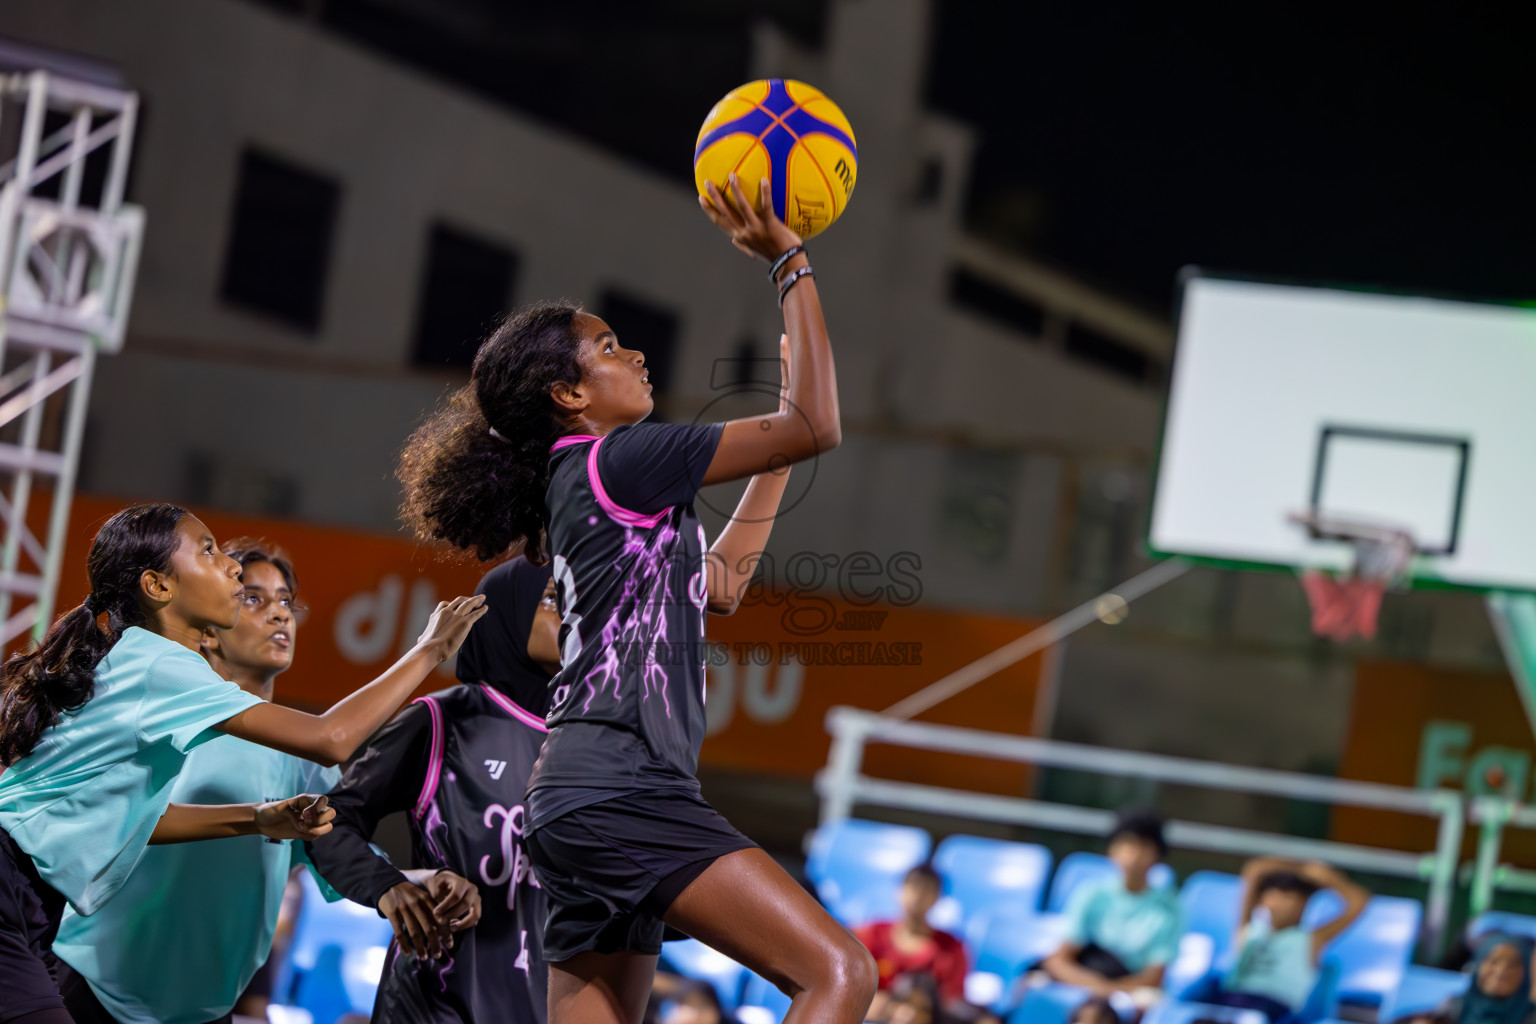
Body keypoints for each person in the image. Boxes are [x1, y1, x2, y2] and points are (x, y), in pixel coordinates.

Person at [396, 171, 874, 1024]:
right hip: (624, 788)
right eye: (611, 346)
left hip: (575, 798)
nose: (636, 353)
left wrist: (782, 442)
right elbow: (819, 423)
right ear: (569, 396)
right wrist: (790, 263)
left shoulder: (585, 482)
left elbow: (717, 589)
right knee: (839, 975)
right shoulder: (617, 459)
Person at [0, 503, 485, 1024]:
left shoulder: (157, 672)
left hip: (48, 912)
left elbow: (138, 821)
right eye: (209, 551)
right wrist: (429, 649)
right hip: (50, 926)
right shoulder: (161, 666)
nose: (230, 566)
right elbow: (333, 737)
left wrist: (258, 819)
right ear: (158, 587)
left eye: (285, 601)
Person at [306, 554, 560, 1023]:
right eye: (551, 599)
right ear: (509, 611)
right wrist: (387, 885)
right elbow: (332, 819)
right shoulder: (442, 719)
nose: (571, 614)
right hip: (433, 1003)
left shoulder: (589, 742)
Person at [1199, 857, 1369, 1024]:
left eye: (1288, 896)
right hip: (1227, 1004)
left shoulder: (1311, 940)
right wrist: (1299, 868)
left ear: (1303, 903)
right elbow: (1255, 869)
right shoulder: (1248, 931)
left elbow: (1358, 901)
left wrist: (1324, 876)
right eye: (1273, 895)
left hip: (1274, 1012)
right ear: (1263, 900)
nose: (1278, 903)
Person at [1043, 809, 1183, 996]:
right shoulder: (1091, 894)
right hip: (1087, 982)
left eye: (1143, 846)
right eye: (1126, 843)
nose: (1133, 854)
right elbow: (1059, 960)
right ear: (1112, 849)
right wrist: (1095, 986)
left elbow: (1153, 978)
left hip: (1128, 993)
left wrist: (1111, 992)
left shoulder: (1169, 909)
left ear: (1157, 855)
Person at [856, 865, 968, 1022]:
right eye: (913, 886)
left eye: (927, 889)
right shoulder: (871, 933)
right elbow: (852, 989)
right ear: (899, 889)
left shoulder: (951, 949)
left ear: (937, 897)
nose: (918, 895)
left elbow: (949, 1004)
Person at [1432, 932, 1536, 1024]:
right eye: (1493, 961)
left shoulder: (1531, 1017)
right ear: (1477, 964)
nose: (1501, 971)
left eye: (1513, 964)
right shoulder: (1451, 1009)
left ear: (1526, 973)